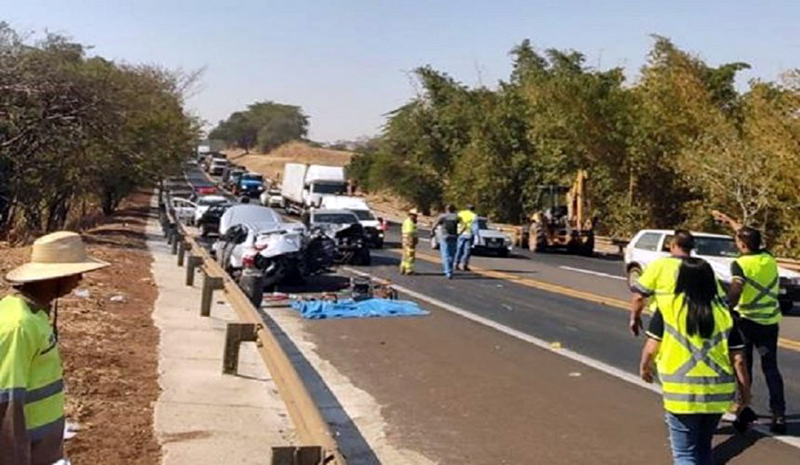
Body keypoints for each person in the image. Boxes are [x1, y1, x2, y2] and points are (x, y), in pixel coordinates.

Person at [1, 231, 109, 465]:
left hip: (41, 449)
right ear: (54, 277)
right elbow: (7, 404)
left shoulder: (35, 316)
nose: (80, 279)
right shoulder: (20, 325)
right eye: (75, 273)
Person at [640, 258, 750, 465]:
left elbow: (651, 348)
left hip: (681, 395)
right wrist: (745, 394)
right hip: (717, 395)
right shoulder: (725, 314)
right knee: (703, 449)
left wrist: (645, 368)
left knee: (685, 455)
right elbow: (739, 360)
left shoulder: (668, 309)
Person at [713, 211, 787, 433]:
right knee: (771, 368)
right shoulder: (769, 258)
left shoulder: (741, 264)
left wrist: (726, 306)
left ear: (742, 245)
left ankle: (743, 409)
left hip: (746, 321)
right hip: (770, 322)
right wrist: (732, 222)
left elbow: (736, 288)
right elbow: (749, 237)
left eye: (738, 241)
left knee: (744, 367)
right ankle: (779, 414)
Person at [629, 230, 695, 336]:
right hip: (693, 320)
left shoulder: (660, 265)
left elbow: (639, 297)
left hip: (662, 319)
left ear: (673, 245)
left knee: (654, 351)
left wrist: (634, 318)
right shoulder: (701, 267)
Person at [433, 205, 461, 279]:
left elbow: (435, 224)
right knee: (452, 255)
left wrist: (432, 231)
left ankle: (448, 272)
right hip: (454, 236)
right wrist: (459, 234)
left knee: (445, 254)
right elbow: (463, 225)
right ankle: (450, 270)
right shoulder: (457, 217)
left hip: (445, 236)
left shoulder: (443, 216)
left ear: (446, 209)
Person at [455, 205, 479, 271]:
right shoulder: (474, 215)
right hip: (469, 234)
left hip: (460, 233)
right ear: (473, 209)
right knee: (467, 250)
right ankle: (464, 265)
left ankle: (456, 263)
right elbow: (475, 227)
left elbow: (455, 222)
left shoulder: (460, 213)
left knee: (459, 249)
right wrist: (477, 236)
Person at [400, 208, 419, 275]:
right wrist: (411, 242)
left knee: (405, 255)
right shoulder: (409, 222)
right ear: (411, 215)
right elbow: (410, 233)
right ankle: (409, 269)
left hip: (405, 241)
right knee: (410, 255)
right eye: (415, 215)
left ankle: (403, 267)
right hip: (409, 240)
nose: (416, 217)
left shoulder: (408, 221)